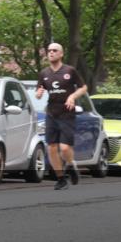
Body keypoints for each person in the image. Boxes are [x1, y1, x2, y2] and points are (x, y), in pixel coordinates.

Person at [35, 43, 88, 190]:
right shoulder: (44, 73)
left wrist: (72, 96)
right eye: (49, 51)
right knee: (51, 147)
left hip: (67, 114)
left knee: (64, 148)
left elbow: (83, 88)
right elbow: (39, 91)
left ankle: (71, 165)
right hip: (51, 113)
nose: (51, 53)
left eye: (55, 50)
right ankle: (61, 178)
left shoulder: (69, 70)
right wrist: (38, 94)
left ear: (61, 54)